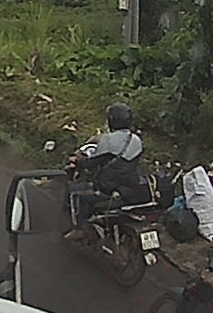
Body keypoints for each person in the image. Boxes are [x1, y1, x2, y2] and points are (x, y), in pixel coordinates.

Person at [63, 102, 149, 241]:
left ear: (111, 121)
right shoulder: (136, 140)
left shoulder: (107, 139)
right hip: (129, 188)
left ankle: (79, 229)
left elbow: (91, 163)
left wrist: (78, 160)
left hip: (107, 188)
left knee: (75, 194)